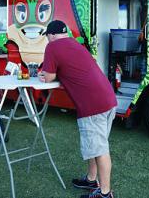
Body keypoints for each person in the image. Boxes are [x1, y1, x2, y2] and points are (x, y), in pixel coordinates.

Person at [39, 20, 117, 198]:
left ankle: (105, 194)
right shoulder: (75, 43)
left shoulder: (53, 47)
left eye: (47, 37)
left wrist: (44, 74)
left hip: (93, 106)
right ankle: (91, 179)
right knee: (95, 147)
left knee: (100, 150)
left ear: (51, 35)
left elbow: (49, 77)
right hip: (108, 99)